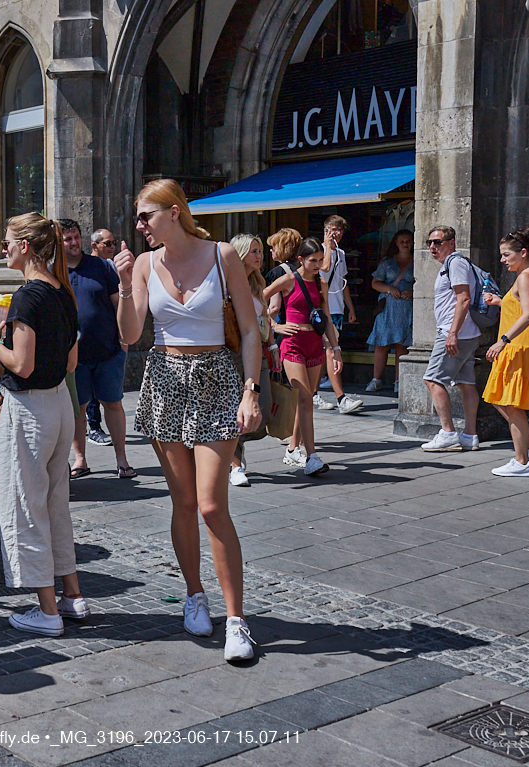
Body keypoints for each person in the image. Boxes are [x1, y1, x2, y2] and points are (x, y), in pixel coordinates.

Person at [114, 179, 261, 661]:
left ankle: (236, 620)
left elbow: (251, 330)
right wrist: (122, 288)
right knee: (181, 502)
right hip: (164, 376)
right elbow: (132, 334)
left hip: (216, 375)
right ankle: (194, 596)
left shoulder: (223, 255)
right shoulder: (143, 264)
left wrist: (251, 391)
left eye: (145, 216)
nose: (139, 226)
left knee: (212, 504)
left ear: (174, 212)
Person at [0, 212, 85, 638]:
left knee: (27, 505)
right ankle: (72, 596)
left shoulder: (27, 296)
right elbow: (71, 361)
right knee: (55, 502)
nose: (3, 248)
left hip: (30, 409)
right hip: (59, 403)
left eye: (7, 241)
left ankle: (47, 611)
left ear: (25, 246)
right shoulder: (63, 292)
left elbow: (21, 365)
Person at [264, 238, 344, 476]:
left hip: (315, 344)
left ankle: (292, 449)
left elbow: (327, 318)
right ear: (300, 259)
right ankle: (312, 456)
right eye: (313, 260)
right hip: (292, 344)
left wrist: (336, 350)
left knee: (305, 399)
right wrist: (275, 327)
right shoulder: (288, 279)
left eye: (320, 260)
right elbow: (257, 302)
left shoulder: (321, 283)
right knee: (306, 399)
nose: (318, 264)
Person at [62, 218, 134, 479]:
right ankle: (80, 460)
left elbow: (118, 303)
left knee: (113, 404)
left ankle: (122, 460)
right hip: (73, 357)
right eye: (67, 238)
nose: (73, 242)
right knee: (78, 409)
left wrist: (124, 342)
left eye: (76, 236)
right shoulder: (54, 270)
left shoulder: (102, 266)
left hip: (108, 351)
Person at [482, 226, 529, 477]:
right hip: (523, 346)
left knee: (511, 404)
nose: (502, 260)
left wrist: (502, 340)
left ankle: (522, 461)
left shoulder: (526, 276)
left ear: (522, 252)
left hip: (520, 347)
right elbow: (526, 307)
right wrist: (501, 301)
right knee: (502, 400)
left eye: (506, 255)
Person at [421, 226, 481, 452]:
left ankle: (447, 433)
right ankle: (470, 435)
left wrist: (452, 333)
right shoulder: (453, 264)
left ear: (452, 243)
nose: (433, 247)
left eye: (438, 242)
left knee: (433, 380)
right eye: (430, 243)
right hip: (466, 333)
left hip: (455, 332)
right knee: (466, 383)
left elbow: (463, 299)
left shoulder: (455, 263)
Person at [227, 234, 275, 488]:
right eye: (254, 251)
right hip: (234, 353)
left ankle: (236, 446)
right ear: (241, 253)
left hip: (260, 353)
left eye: (260, 251)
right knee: (238, 408)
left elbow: (265, 318)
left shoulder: (257, 283)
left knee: (263, 410)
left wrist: (273, 344)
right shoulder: (228, 285)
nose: (259, 256)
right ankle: (235, 465)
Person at [316, 217, 363, 414]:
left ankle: (312, 392)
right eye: (333, 230)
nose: (337, 234)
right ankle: (341, 397)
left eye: (340, 231)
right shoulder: (317, 252)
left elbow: (342, 282)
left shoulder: (341, 254)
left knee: (324, 354)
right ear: (326, 230)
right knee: (332, 351)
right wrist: (327, 248)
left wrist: (350, 308)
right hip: (321, 309)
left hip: (336, 309)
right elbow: (324, 270)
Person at [366, 229, 415, 392]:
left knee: (402, 345)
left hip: (407, 308)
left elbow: (425, 283)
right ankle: (376, 379)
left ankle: (398, 381)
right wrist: (388, 288)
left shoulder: (418, 261)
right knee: (382, 344)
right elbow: (375, 283)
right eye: (402, 241)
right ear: (395, 242)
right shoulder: (387, 262)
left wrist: (412, 291)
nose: (405, 244)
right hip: (387, 308)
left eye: (408, 241)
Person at [86, 227, 119, 444]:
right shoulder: (86, 268)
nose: (112, 247)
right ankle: (93, 427)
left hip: (108, 337)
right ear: (94, 246)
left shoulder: (111, 266)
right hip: (86, 338)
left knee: (108, 392)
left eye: (113, 242)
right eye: (107, 243)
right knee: (88, 389)